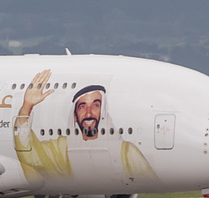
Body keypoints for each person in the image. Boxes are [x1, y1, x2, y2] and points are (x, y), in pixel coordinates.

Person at [13, 69, 155, 186]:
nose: (88, 113)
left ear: (103, 112)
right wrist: (26, 108)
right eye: (82, 106)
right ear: (74, 115)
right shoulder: (61, 149)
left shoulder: (125, 153)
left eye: (95, 105)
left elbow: (152, 181)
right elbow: (30, 155)